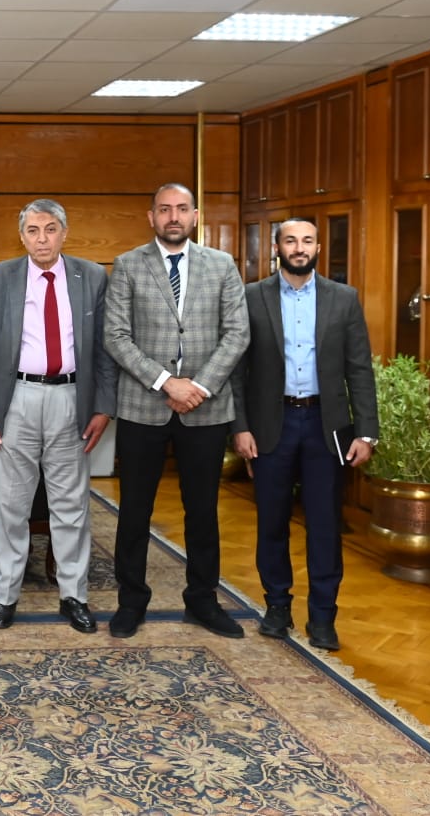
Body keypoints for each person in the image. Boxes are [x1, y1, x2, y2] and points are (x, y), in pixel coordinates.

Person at [103, 183, 251, 639]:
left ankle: (202, 601)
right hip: (142, 406)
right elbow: (116, 336)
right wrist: (167, 382)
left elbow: (237, 334)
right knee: (134, 511)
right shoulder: (128, 265)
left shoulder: (222, 265)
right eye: (165, 209)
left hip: (206, 409)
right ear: (151, 217)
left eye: (182, 209)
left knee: (202, 511)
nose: (173, 217)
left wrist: (199, 387)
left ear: (195, 216)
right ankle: (131, 602)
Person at [232, 219, 378, 651]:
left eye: (307, 241)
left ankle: (323, 618)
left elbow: (359, 370)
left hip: (325, 427)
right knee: (272, 523)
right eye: (291, 240)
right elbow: (237, 371)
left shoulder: (344, 298)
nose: (299, 248)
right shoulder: (252, 296)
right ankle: (277, 607)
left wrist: (366, 433)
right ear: (277, 247)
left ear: (318, 248)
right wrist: (240, 427)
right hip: (270, 426)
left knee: (325, 526)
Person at [0, 200, 116, 633]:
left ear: (64, 233)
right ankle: (6, 595)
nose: (42, 239)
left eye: (50, 229)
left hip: (72, 400)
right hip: (15, 399)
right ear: (22, 236)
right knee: (10, 504)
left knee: (71, 505)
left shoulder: (92, 276)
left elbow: (105, 348)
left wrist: (103, 406)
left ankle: (74, 595)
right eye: (33, 230)